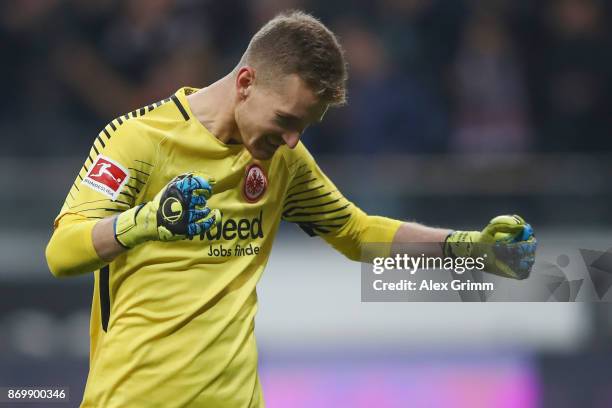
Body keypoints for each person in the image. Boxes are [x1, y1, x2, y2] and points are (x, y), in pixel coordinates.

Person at [45, 11, 536, 408]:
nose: (293, 139)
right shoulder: (139, 140)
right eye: (285, 120)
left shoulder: (284, 158)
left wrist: (470, 250)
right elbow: (61, 252)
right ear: (244, 82)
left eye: (305, 126)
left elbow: (356, 231)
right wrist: (144, 222)